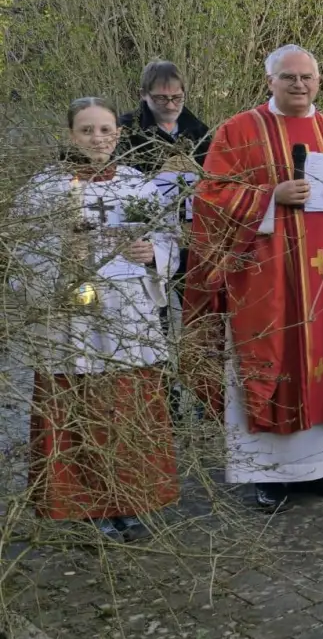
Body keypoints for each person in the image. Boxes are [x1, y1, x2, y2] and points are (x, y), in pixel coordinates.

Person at [185, 45, 323, 512]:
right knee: (272, 363)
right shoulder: (239, 130)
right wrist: (270, 197)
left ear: (318, 81)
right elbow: (211, 197)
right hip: (267, 283)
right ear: (270, 80)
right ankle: (267, 476)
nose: (299, 85)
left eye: (307, 78)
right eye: (289, 77)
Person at [22, 98, 180, 541]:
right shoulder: (43, 189)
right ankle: (85, 506)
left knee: (126, 408)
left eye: (105, 130)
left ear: (118, 133)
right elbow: (21, 258)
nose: (97, 138)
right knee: (79, 409)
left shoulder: (138, 186)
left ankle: (130, 500)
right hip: (71, 319)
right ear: (71, 134)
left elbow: (169, 240)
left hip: (127, 317)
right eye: (87, 130)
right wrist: (61, 258)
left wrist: (154, 254)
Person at [116, 60, 211, 173]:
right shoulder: (126, 130)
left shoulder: (198, 131)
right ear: (143, 94)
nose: (170, 106)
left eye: (177, 98)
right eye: (161, 98)